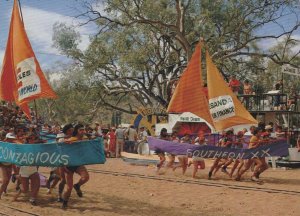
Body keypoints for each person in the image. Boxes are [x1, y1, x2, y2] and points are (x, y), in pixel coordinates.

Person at [61, 124, 90, 209]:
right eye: (81, 129)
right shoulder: (71, 140)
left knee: (86, 177)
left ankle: (77, 186)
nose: (83, 131)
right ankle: (64, 202)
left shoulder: (85, 139)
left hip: (78, 163)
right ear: (77, 130)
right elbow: (63, 151)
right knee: (69, 188)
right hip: (68, 165)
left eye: (83, 129)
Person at [14, 132, 40, 206]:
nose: (32, 139)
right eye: (30, 138)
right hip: (24, 170)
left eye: (34, 138)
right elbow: (19, 158)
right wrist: (17, 172)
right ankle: (17, 177)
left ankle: (32, 199)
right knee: (25, 190)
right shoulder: (23, 147)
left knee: (37, 184)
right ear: (27, 139)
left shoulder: (37, 147)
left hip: (33, 170)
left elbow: (39, 158)